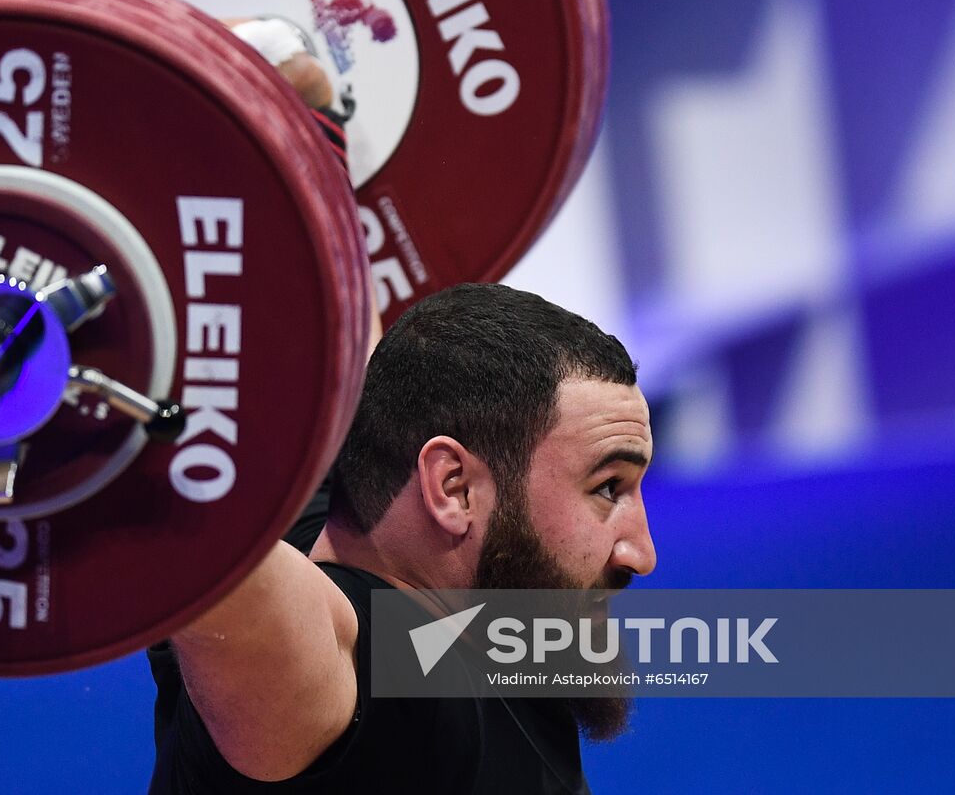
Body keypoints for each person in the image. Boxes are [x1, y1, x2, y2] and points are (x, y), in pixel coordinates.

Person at [149, 283, 657, 793]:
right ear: (453, 488)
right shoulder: (383, 685)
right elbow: (219, 558)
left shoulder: (489, 623)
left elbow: (328, 290)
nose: (642, 554)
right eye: (608, 487)